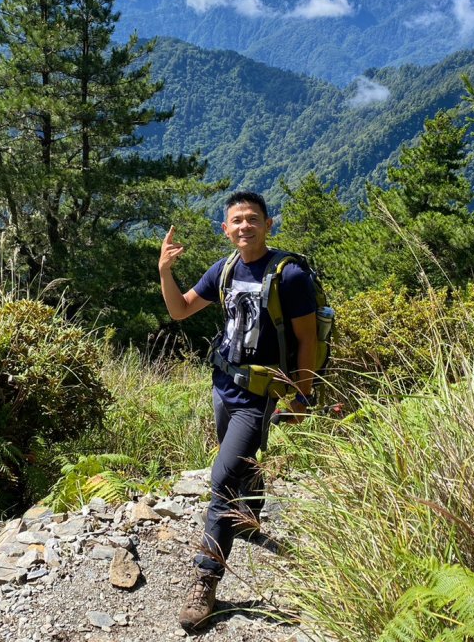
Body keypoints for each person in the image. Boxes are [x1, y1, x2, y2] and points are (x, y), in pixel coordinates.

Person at [158, 190, 317, 631]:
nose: (244, 226)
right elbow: (180, 310)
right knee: (241, 461)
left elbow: (307, 339)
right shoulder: (224, 269)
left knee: (222, 478)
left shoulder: (290, 276)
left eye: (252, 218)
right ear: (225, 230)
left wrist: (302, 395)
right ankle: (251, 515)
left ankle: (206, 579)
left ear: (268, 225)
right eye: (236, 220)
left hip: (260, 394)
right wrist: (165, 271)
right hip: (223, 384)